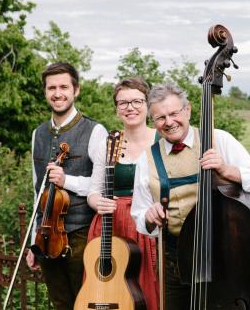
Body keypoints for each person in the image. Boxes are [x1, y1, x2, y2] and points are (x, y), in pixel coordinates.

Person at [130, 82, 250, 309]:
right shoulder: (145, 160)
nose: (169, 122)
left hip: (230, 256)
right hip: (177, 262)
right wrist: (149, 216)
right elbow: (139, 216)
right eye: (160, 117)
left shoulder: (219, 140)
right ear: (153, 122)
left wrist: (227, 170)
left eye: (174, 113)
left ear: (188, 110)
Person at [26, 62, 108, 310]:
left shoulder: (95, 131)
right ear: (45, 92)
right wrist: (34, 240)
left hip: (81, 232)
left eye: (64, 86)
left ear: (76, 90)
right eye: (52, 87)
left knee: (86, 302)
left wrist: (66, 181)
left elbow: (102, 187)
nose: (57, 93)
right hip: (47, 235)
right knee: (61, 303)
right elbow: (36, 191)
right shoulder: (37, 134)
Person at [87, 77, 159, 310]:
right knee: (110, 291)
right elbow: (93, 191)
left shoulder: (161, 139)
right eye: (123, 103)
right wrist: (99, 202)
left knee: (148, 289)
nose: (130, 108)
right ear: (116, 109)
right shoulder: (107, 144)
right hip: (111, 225)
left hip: (146, 224)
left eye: (137, 101)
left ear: (148, 105)